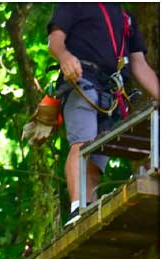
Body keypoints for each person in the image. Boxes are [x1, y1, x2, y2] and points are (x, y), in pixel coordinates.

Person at [47, 3, 159, 224]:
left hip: (112, 93)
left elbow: (139, 65)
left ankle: (89, 212)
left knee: (96, 163)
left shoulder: (126, 18)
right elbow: (55, 40)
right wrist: (65, 57)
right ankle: (78, 210)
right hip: (82, 82)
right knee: (82, 144)